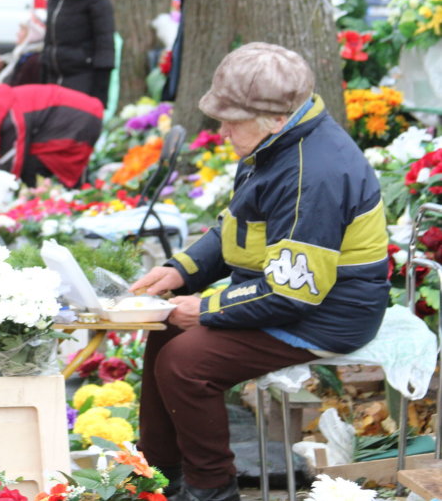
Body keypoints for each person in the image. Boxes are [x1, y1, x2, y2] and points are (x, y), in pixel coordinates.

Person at [128, 43, 390, 501]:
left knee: (185, 363)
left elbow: (293, 293)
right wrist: (180, 272)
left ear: (274, 118)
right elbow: (237, 228)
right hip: (293, 298)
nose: (221, 129)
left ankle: (211, 490)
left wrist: (205, 308)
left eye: (231, 119)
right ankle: (159, 474)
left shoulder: (314, 173)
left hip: (327, 313)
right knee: (163, 332)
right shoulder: (280, 143)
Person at [0, 83, 102, 188]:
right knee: (35, 162)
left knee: (36, 164)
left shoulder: (11, 117)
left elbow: (13, 160)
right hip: (77, 113)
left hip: (79, 118)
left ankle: (69, 201)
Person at [40, 0, 114, 107]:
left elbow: (104, 40)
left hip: (81, 78)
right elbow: (50, 37)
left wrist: (100, 90)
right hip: (54, 77)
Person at [0, 11, 45, 87]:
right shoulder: (24, 54)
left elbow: (15, 86)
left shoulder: (32, 59)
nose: (17, 33)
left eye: (22, 29)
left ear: (33, 34)